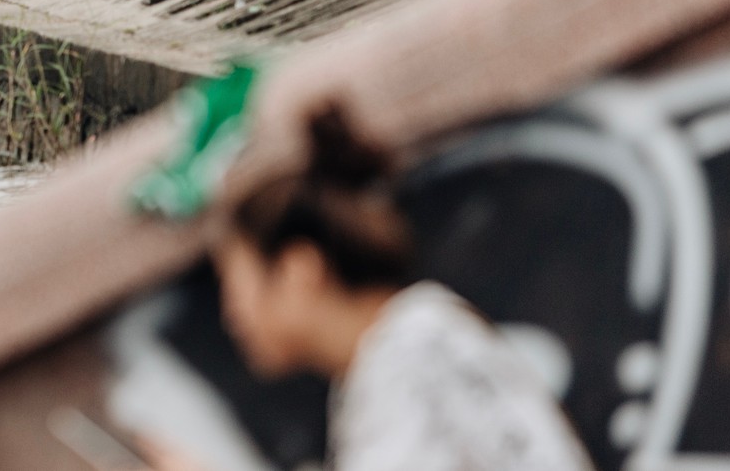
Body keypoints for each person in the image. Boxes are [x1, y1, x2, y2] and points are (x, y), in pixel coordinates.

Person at [195, 104, 596, 471]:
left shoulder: (412, 348)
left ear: (299, 270)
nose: (231, 314)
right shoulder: (394, 352)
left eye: (234, 285)